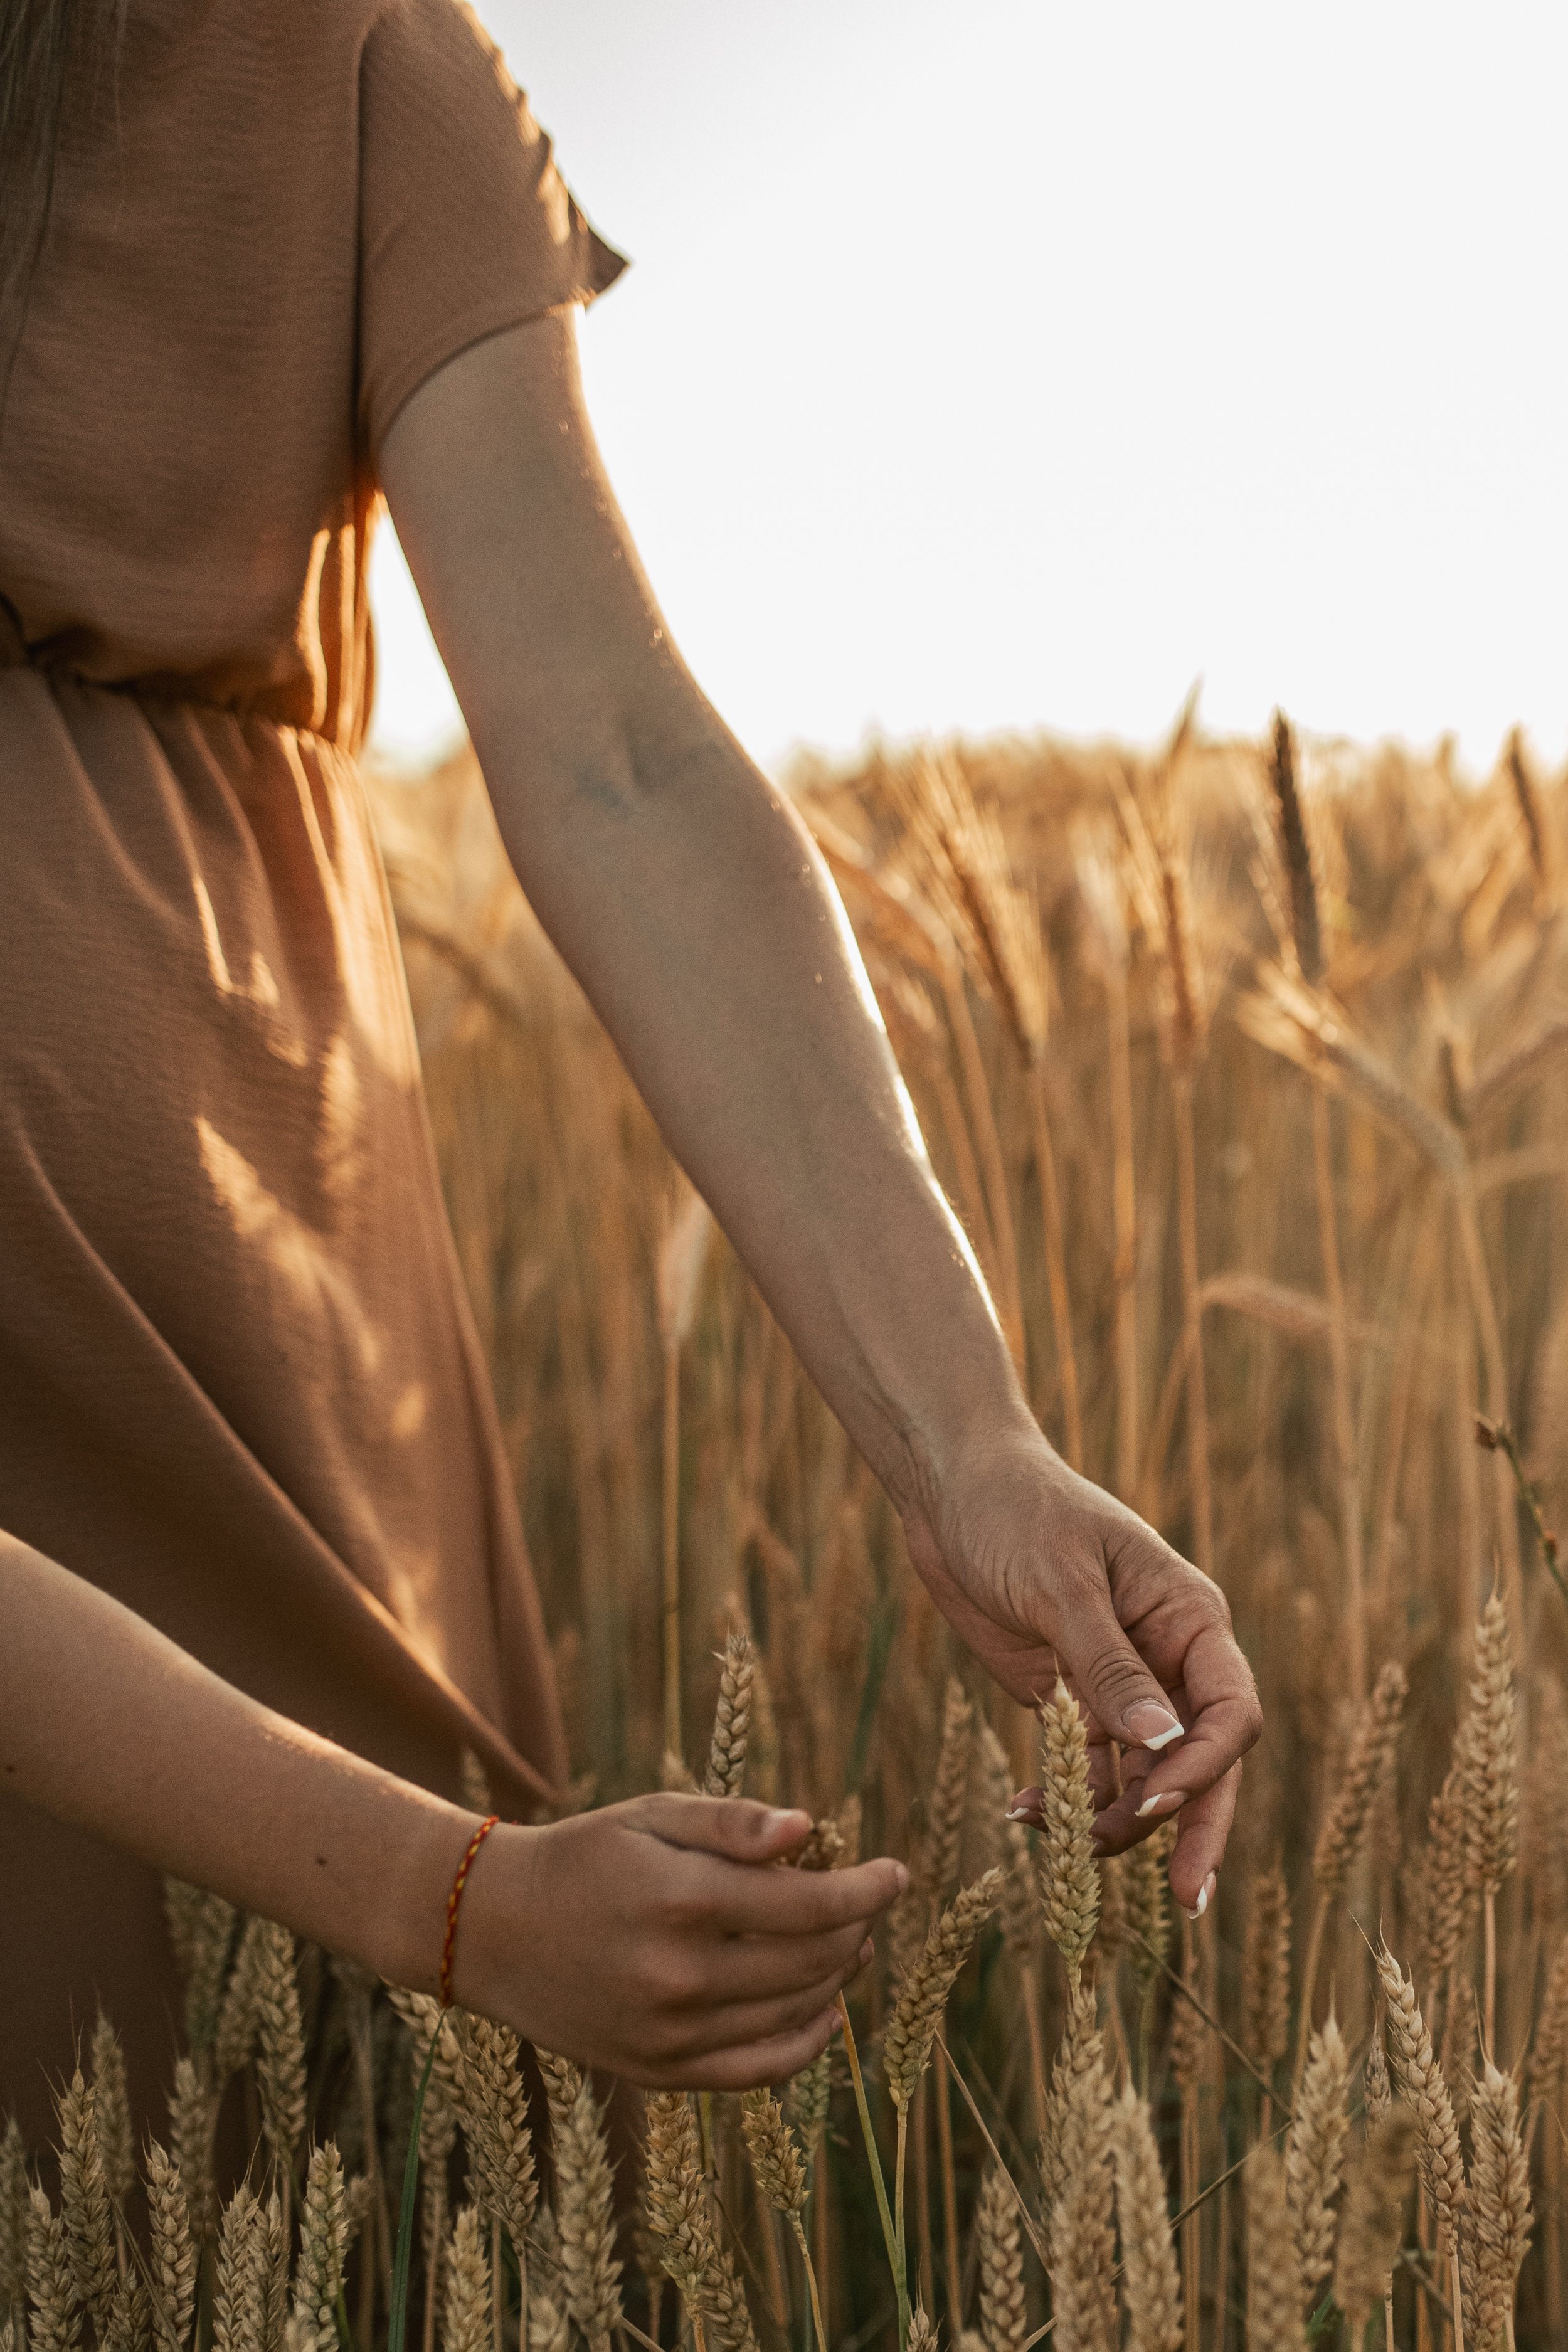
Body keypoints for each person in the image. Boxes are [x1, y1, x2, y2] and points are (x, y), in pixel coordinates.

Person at [0, 0, 1261, 2144]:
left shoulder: (350, 53)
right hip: (212, 1270)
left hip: (249, 1301)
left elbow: (618, 755)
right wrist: (446, 1895)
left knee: (276, 2161)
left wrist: (969, 1441)